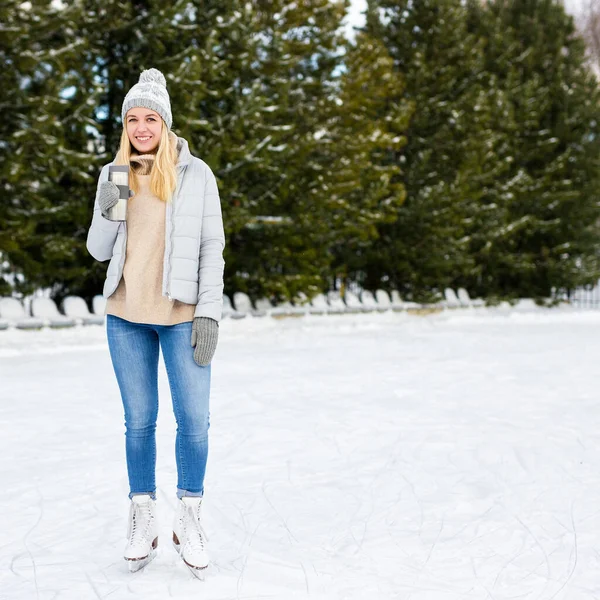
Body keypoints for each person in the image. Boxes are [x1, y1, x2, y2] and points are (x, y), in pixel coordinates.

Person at [86, 68, 225, 577]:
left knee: (194, 422)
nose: (141, 127)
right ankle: (142, 514)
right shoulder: (114, 174)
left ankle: (188, 515)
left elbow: (213, 249)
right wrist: (107, 211)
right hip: (126, 315)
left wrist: (208, 312)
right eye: (132, 118)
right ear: (125, 125)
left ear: (165, 122)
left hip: (181, 316)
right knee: (139, 422)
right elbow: (99, 250)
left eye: (150, 118)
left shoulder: (197, 175)